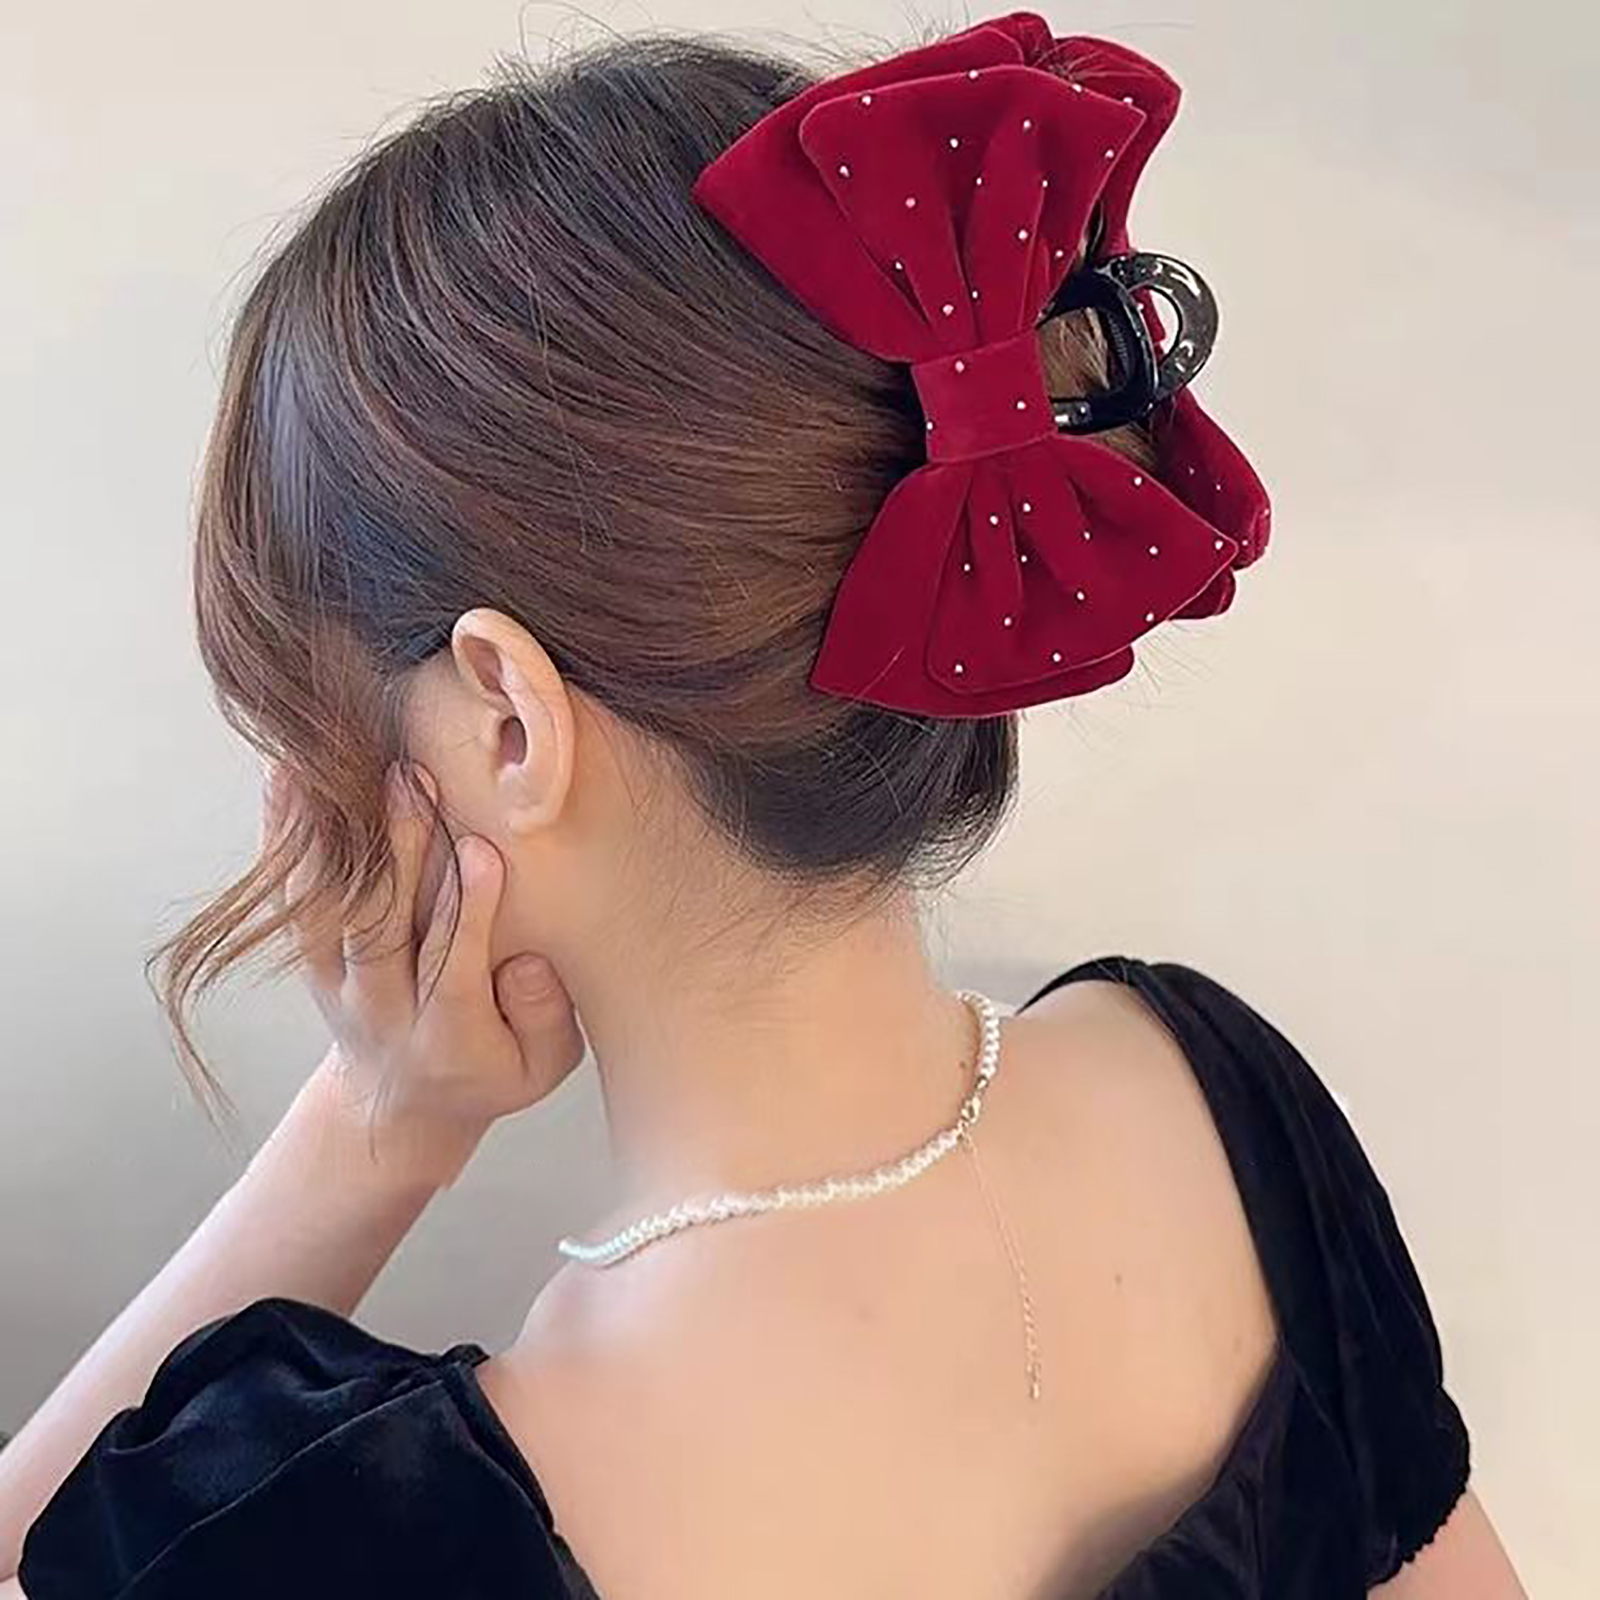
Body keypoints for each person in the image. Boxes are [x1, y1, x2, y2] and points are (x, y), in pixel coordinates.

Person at [0, 15, 1525, 1598]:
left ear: (510, 720)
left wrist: (377, 1130)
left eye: (315, 711)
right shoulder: (1211, 1093)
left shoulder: (351, 1527)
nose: (302, 785)